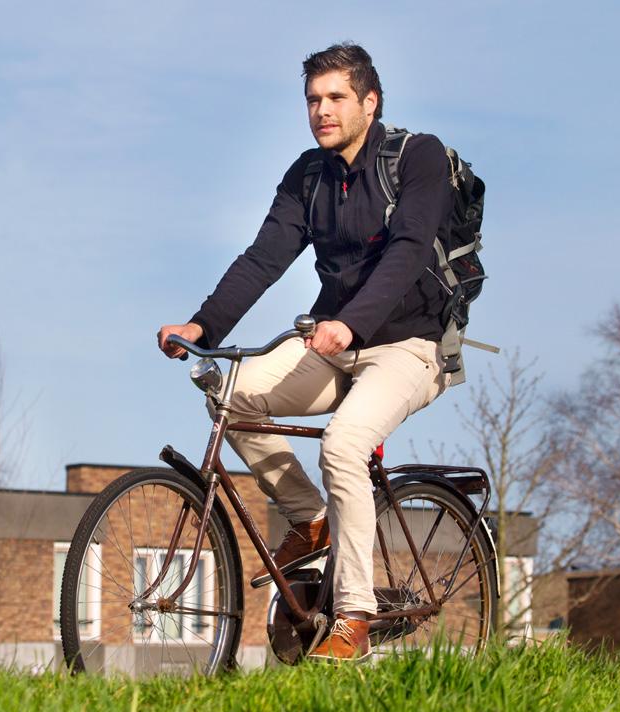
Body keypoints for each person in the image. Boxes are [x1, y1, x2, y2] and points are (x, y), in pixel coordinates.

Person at [157, 43, 453, 662]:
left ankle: (353, 615)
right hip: (332, 343)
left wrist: (351, 323)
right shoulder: (308, 175)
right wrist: (203, 325)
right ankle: (307, 516)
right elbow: (265, 257)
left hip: (409, 346)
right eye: (313, 100)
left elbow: (407, 249)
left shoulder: (416, 157)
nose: (322, 110)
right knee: (228, 395)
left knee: (344, 444)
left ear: (370, 102)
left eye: (336, 97)